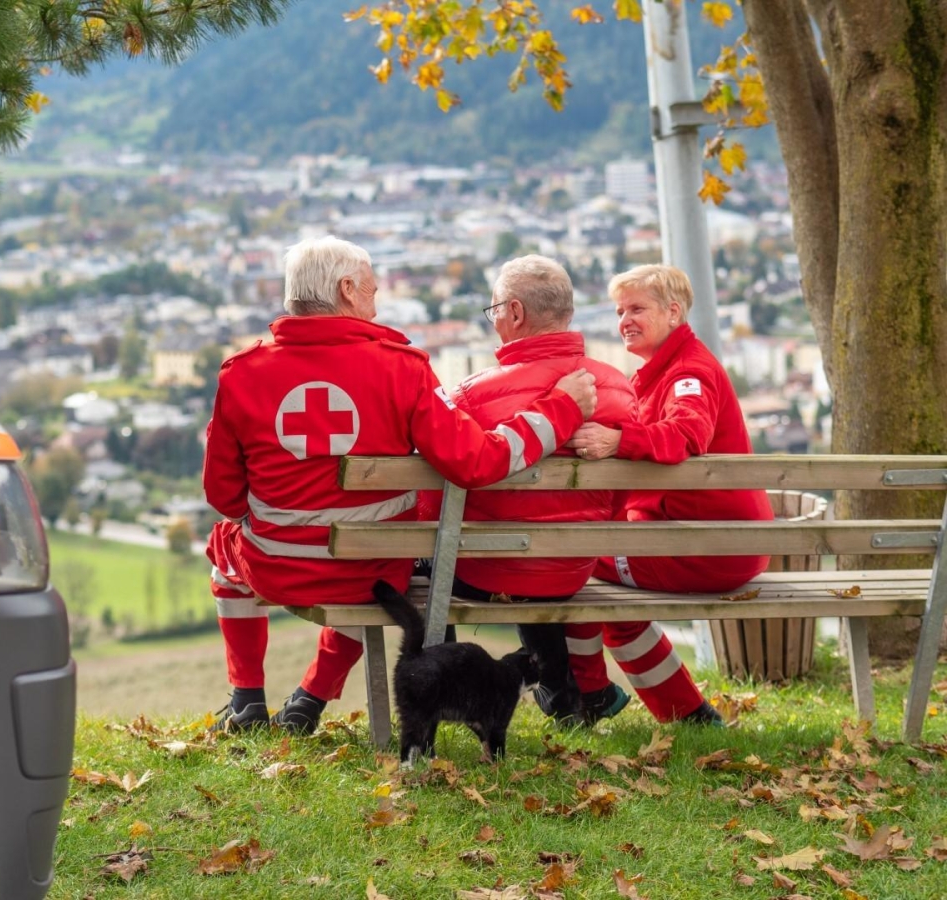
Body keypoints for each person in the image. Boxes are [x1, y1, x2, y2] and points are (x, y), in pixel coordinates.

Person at [202, 236, 598, 734]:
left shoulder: (242, 373)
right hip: (373, 570)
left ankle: (246, 701)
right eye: (370, 289)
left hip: (276, 567)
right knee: (362, 567)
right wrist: (560, 406)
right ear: (346, 290)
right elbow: (476, 461)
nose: (376, 300)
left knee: (224, 550)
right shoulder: (402, 367)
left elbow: (223, 496)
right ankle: (311, 695)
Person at [423, 255, 712, 726]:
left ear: (514, 313)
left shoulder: (471, 397)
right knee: (528, 559)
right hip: (574, 569)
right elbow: (621, 496)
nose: (493, 318)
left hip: (488, 572)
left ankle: (461, 699)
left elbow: (435, 502)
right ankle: (567, 693)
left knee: (431, 560)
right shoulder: (619, 388)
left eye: (494, 308)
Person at [567, 263, 774, 725]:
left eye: (637, 308)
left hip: (706, 545)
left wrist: (618, 442)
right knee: (608, 596)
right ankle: (685, 714)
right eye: (620, 311)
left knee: (570, 561)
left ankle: (583, 695)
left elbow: (685, 434)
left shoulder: (689, 373)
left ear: (674, 312)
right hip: (708, 538)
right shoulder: (668, 369)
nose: (625, 320)